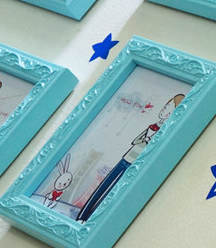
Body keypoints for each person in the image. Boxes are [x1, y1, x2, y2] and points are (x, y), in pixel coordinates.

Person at [77, 94, 185, 222]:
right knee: (104, 184)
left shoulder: (164, 133)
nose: (164, 110)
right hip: (127, 157)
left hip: (135, 164)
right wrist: (144, 140)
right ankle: (82, 216)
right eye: (165, 107)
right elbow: (136, 141)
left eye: (168, 109)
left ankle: (91, 218)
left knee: (113, 190)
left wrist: (147, 142)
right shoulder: (153, 125)